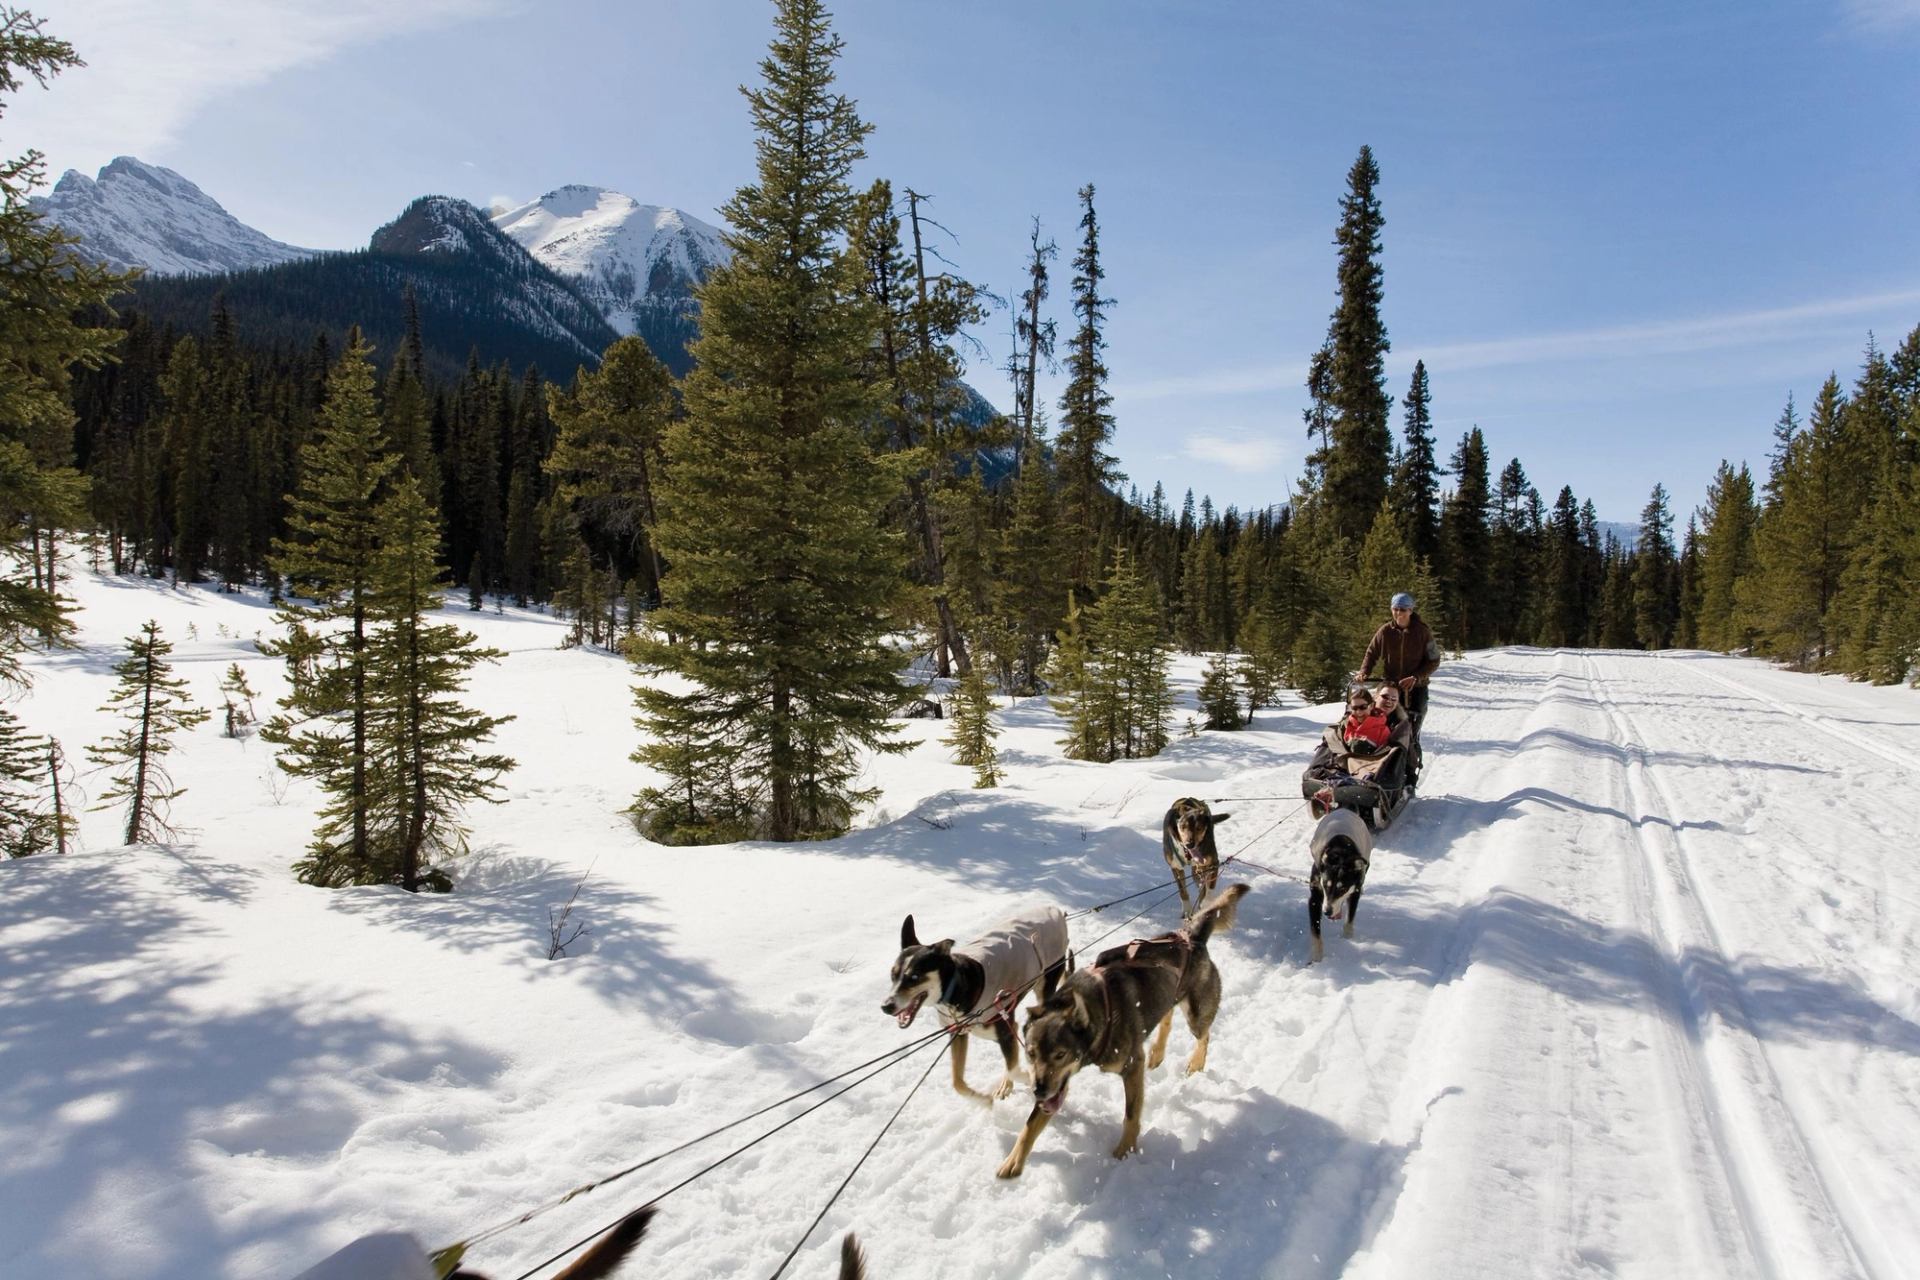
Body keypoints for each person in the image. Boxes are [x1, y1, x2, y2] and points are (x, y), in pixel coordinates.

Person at [1359, 592, 1440, 778]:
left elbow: (1434, 660)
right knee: (1384, 728)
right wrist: (1365, 672)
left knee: (1411, 731)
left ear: (1411, 610)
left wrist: (1416, 677)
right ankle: (1381, 769)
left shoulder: (1422, 632)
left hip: (1416, 689)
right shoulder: (1385, 631)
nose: (1398, 613)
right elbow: (1371, 653)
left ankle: (1410, 775)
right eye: (1395, 609)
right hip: (1391, 689)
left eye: (1403, 610)